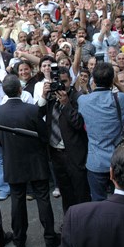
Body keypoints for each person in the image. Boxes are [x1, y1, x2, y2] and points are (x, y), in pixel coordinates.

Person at [0, 75, 60, 247]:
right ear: (20, 90)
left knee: (17, 200)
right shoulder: (31, 110)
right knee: (43, 198)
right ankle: (50, 239)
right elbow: (44, 134)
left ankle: (19, 239)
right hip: (35, 160)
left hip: (13, 161)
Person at [77, 62, 124, 201]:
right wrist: (119, 85)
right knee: (122, 199)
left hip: (96, 160)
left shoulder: (83, 101)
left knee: (98, 200)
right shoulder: (120, 99)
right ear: (112, 80)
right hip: (119, 158)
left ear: (93, 79)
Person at [40, 67, 90, 214]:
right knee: (66, 192)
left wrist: (66, 104)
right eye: (58, 82)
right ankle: (70, 221)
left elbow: (78, 124)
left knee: (81, 191)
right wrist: (43, 95)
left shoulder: (78, 98)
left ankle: (85, 222)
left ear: (71, 80)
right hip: (55, 153)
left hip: (74, 153)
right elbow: (37, 115)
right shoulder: (49, 98)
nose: (61, 85)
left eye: (64, 82)